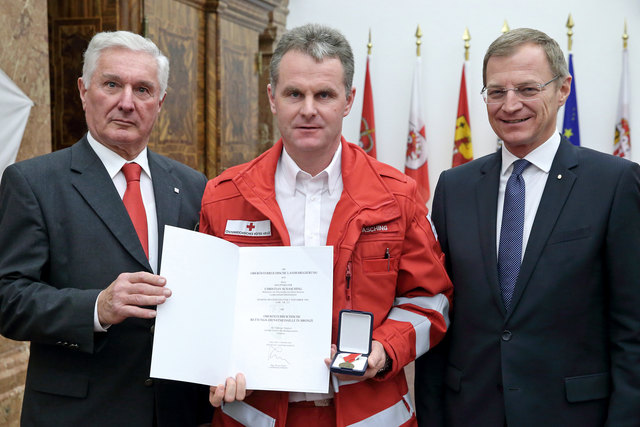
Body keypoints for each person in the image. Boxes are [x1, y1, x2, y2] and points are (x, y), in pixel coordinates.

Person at [199, 23, 453, 427]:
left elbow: (430, 299)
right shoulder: (224, 195)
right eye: (294, 94)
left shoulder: (397, 196)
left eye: (324, 95)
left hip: (369, 413)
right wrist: (210, 367)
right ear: (272, 97)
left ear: (348, 100)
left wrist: (384, 348)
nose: (308, 109)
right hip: (256, 414)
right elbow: (204, 308)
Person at [414, 28, 640, 426]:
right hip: (470, 413)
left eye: (527, 88)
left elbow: (632, 330)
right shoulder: (455, 187)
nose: (510, 104)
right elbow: (439, 312)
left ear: (563, 88)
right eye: (496, 92)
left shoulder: (615, 183)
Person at [0, 31, 212, 426]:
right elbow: (8, 299)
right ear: (84, 91)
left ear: (160, 103)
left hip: (177, 411)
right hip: (79, 413)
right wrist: (96, 307)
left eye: (143, 89)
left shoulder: (193, 185)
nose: (127, 103)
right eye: (112, 84)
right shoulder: (33, 182)